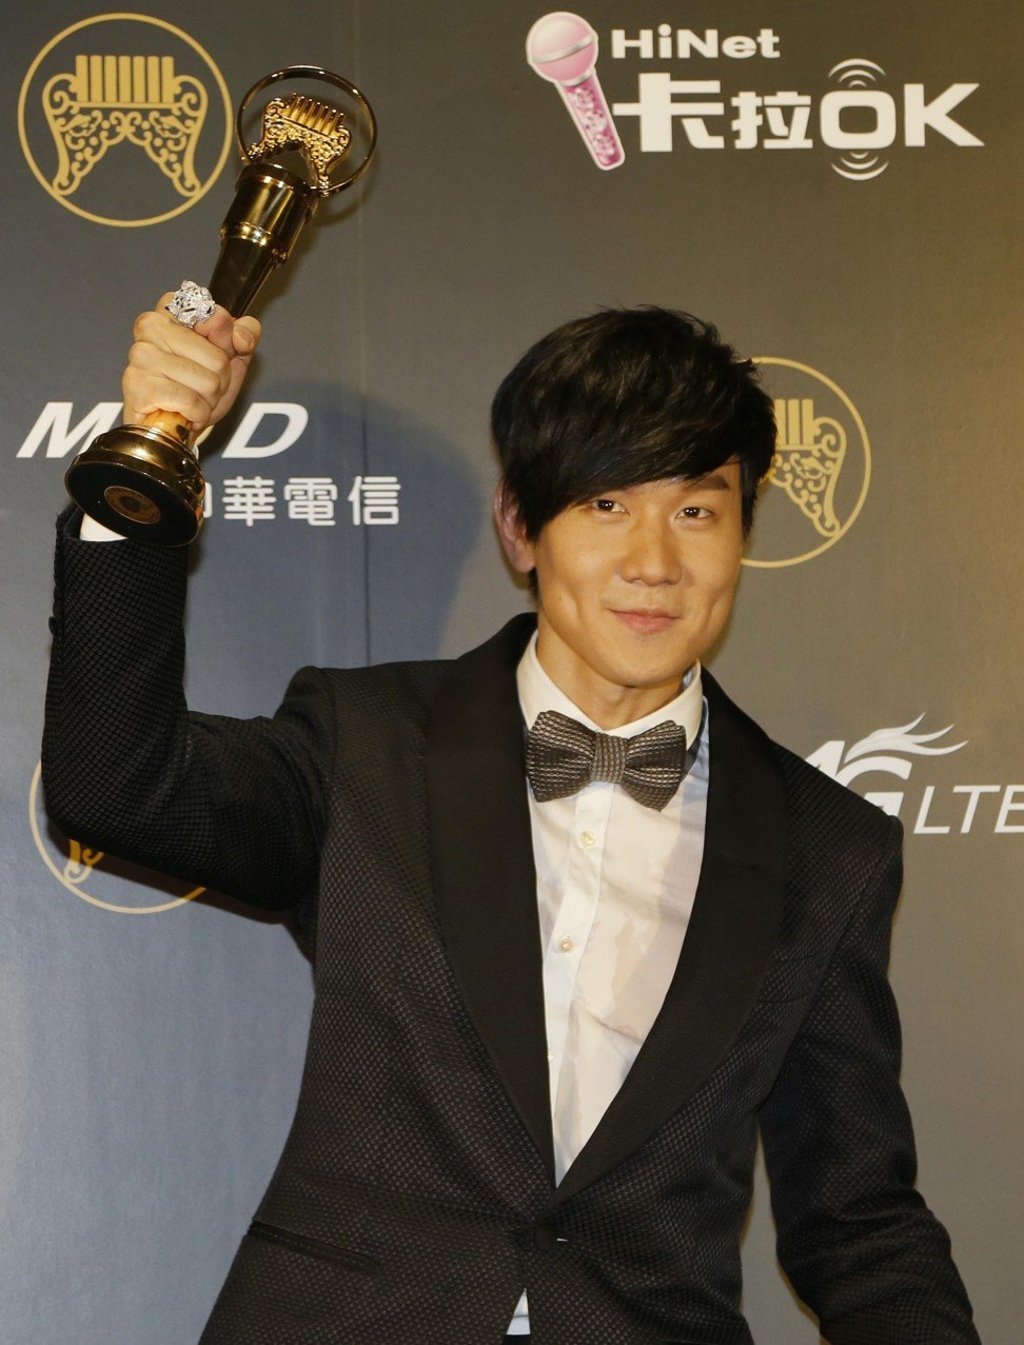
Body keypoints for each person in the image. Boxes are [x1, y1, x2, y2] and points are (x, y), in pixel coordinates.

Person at [42, 297, 980, 1345]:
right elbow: (114, 784)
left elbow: (858, 1221)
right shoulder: (365, 744)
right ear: (520, 529)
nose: (653, 563)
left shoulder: (827, 850)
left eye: (697, 510)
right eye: (606, 505)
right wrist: (144, 460)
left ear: (743, 534)